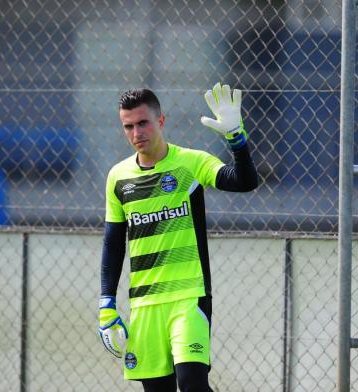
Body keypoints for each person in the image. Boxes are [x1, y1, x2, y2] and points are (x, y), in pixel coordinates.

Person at [98, 83, 258, 392]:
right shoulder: (118, 177)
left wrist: (236, 140)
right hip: (145, 304)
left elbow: (244, 181)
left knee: (192, 385)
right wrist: (106, 302)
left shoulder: (191, 163)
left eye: (143, 123)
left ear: (160, 121)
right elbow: (113, 243)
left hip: (189, 296)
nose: (136, 133)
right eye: (128, 126)